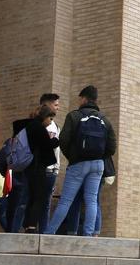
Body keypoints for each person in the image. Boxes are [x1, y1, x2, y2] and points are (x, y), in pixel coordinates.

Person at [45, 85, 116, 236]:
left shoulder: (74, 116)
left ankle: (49, 232)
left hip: (78, 163)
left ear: (83, 98)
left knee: (66, 201)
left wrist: (73, 156)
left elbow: (63, 140)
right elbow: (112, 148)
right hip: (98, 165)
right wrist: (99, 156)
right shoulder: (104, 120)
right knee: (91, 200)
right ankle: (88, 235)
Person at [11, 105, 60, 233]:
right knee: (39, 197)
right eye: (50, 118)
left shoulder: (28, 126)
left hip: (28, 166)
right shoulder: (38, 128)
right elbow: (47, 146)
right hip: (37, 167)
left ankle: (27, 224)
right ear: (45, 117)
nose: (50, 122)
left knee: (31, 196)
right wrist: (56, 139)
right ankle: (32, 225)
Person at [39, 93, 61, 232]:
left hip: (52, 169)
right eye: (55, 105)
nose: (58, 108)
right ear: (46, 105)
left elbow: (56, 150)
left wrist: (57, 168)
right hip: (42, 169)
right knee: (33, 201)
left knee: (46, 202)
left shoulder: (55, 125)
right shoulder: (39, 124)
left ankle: (43, 232)